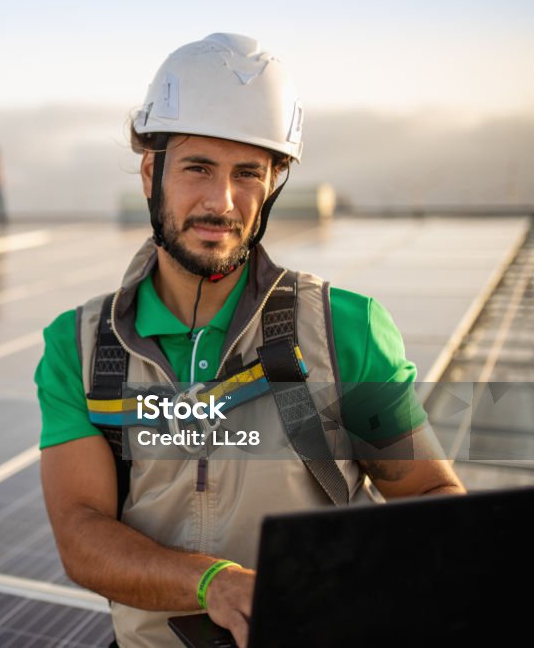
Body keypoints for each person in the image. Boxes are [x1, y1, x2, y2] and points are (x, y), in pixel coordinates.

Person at [34, 33, 465, 648]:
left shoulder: (345, 331)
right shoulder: (77, 349)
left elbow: (429, 495)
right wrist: (215, 584)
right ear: (151, 172)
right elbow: (81, 531)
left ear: (273, 185)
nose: (222, 201)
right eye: (198, 168)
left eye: (248, 174)